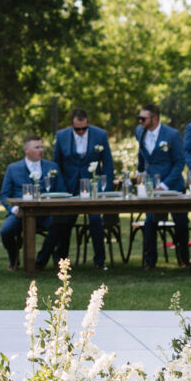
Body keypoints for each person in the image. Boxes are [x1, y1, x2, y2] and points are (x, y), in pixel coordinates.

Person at [53, 107, 115, 271]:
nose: (80, 131)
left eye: (83, 128)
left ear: (87, 122)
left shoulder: (100, 135)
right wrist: (61, 188)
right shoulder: (61, 136)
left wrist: (106, 189)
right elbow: (56, 164)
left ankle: (100, 261)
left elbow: (108, 163)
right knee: (65, 223)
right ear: (71, 125)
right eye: (77, 129)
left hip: (93, 187)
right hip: (70, 186)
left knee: (95, 220)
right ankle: (62, 261)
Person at [0, 135, 66, 270]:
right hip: (21, 213)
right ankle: (14, 259)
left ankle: (41, 261)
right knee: (6, 231)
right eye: (37, 147)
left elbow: (61, 190)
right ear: (26, 150)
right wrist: (14, 209)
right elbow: (4, 194)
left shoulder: (52, 167)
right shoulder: (13, 168)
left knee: (59, 225)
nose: (41, 150)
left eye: (41, 147)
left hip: (46, 213)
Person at [135, 103, 189, 268]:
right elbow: (142, 154)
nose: (140, 121)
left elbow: (180, 162)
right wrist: (140, 171)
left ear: (155, 118)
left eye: (143, 118)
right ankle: (150, 261)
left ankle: (184, 259)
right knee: (150, 221)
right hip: (151, 186)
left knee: (181, 223)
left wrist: (165, 186)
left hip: (173, 186)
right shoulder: (139, 132)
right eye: (139, 118)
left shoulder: (172, 135)